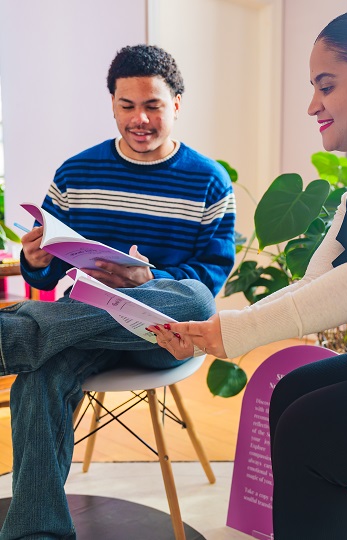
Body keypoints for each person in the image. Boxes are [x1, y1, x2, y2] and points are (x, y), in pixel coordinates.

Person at [150, 6, 347, 539]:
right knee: (290, 392)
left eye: (326, 86)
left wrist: (229, 333)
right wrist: (215, 333)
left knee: (308, 428)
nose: (311, 105)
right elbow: (315, 282)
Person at [0, 45, 235, 539]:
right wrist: (36, 261)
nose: (140, 119)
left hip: (157, 334)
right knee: (37, 381)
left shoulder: (209, 182)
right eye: (127, 106)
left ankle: (12, 337)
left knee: (193, 300)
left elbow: (207, 281)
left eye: (152, 105)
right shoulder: (76, 174)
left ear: (177, 105)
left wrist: (147, 281)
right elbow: (46, 273)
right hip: (80, 324)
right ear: (112, 104)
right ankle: (37, 533)